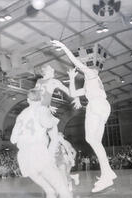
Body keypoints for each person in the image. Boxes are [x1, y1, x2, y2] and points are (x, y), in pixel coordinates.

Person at [51, 40, 117, 192]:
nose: (83, 66)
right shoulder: (90, 82)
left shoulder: (91, 73)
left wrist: (63, 47)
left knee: (91, 140)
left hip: (96, 105)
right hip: (103, 106)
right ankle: (108, 172)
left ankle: (107, 174)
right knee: (96, 142)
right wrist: (72, 78)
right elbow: (73, 93)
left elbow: (77, 63)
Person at [11, 89, 72, 198]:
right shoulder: (42, 109)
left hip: (23, 155)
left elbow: (13, 139)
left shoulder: (21, 115)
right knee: (62, 188)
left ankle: (49, 191)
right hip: (37, 150)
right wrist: (52, 120)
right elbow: (48, 125)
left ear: (28, 100)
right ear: (42, 100)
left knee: (46, 187)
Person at [35, 65, 81, 158]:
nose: (53, 69)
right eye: (51, 68)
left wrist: (48, 106)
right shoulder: (53, 81)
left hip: (37, 112)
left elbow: (38, 98)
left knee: (49, 138)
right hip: (43, 112)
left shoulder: (38, 82)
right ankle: (47, 162)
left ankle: (45, 161)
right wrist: (77, 98)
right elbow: (69, 91)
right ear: (46, 71)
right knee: (54, 139)